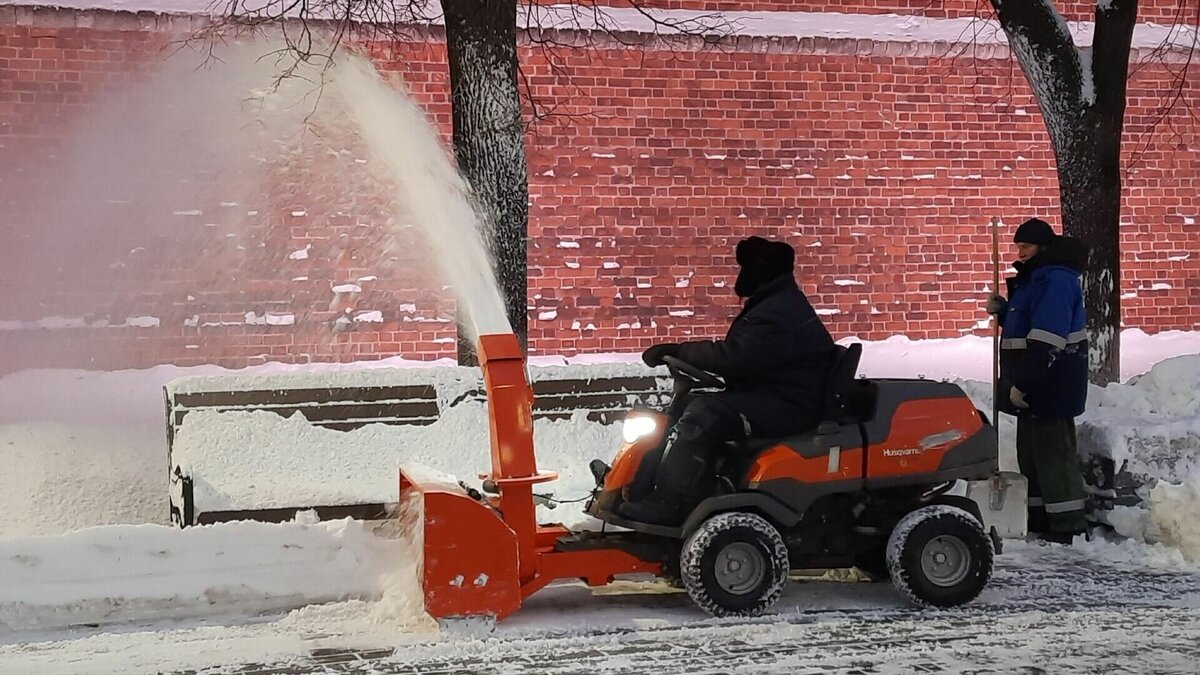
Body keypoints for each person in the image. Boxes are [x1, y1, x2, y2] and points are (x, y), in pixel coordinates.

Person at [619, 236, 836, 526]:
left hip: (789, 405)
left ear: (761, 272)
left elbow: (736, 357)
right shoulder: (775, 303)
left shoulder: (779, 312)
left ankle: (672, 504)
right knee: (693, 403)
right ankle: (645, 486)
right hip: (777, 395)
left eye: (746, 268)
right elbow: (743, 358)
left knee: (703, 415)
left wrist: (680, 351)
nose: (741, 275)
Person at [987, 218, 1090, 544]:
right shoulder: (1034, 280)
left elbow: (1047, 339)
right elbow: (1028, 323)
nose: (1021, 252)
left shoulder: (1055, 281)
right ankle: (1040, 520)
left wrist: (1024, 384)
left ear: (1044, 247)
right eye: (1018, 246)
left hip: (1051, 382)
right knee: (1031, 454)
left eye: (1026, 246)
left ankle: (1068, 525)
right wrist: (1005, 312)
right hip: (1034, 382)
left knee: (1053, 456)